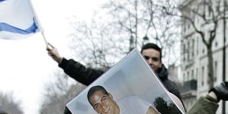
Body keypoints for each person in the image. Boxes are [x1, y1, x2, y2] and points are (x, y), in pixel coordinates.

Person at [47, 42, 182, 100]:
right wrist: (61, 60)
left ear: (160, 63)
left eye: (154, 59)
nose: (150, 62)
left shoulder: (170, 89)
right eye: (145, 58)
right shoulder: (122, 77)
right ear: (138, 58)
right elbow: (89, 75)